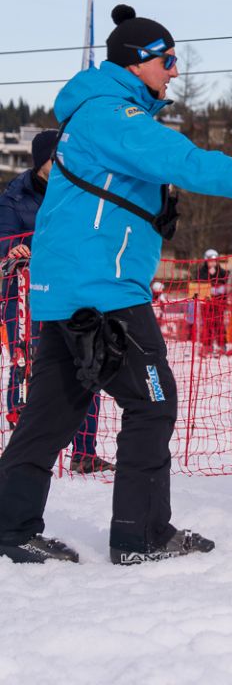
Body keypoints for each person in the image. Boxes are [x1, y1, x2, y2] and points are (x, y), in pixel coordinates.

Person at [0, 3, 232, 564]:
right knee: (152, 404)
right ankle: (142, 537)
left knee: (49, 417)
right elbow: (194, 165)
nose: (175, 70)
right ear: (136, 63)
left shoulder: (93, 113)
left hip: (69, 290)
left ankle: (10, 529)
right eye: (168, 59)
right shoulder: (114, 117)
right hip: (103, 291)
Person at [0, 129, 113, 474]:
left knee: (88, 363)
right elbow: (5, 240)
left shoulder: (77, 190)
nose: (64, 163)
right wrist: (14, 249)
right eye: (56, 158)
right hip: (24, 296)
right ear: (42, 161)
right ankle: (22, 449)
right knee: (26, 365)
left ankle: (85, 451)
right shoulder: (15, 197)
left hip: (71, 292)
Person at [193, 248, 229, 355]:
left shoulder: (222, 272)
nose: (213, 262)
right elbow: (198, 283)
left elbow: (227, 281)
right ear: (206, 260)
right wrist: (209, 275)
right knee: (207, 324)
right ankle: (207, 346)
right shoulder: (201, 271)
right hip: (206, 302)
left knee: (219, 323)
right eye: (210, 260)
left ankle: (222, 345)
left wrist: (220, 288)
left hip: (219, 302)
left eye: (214, 260)